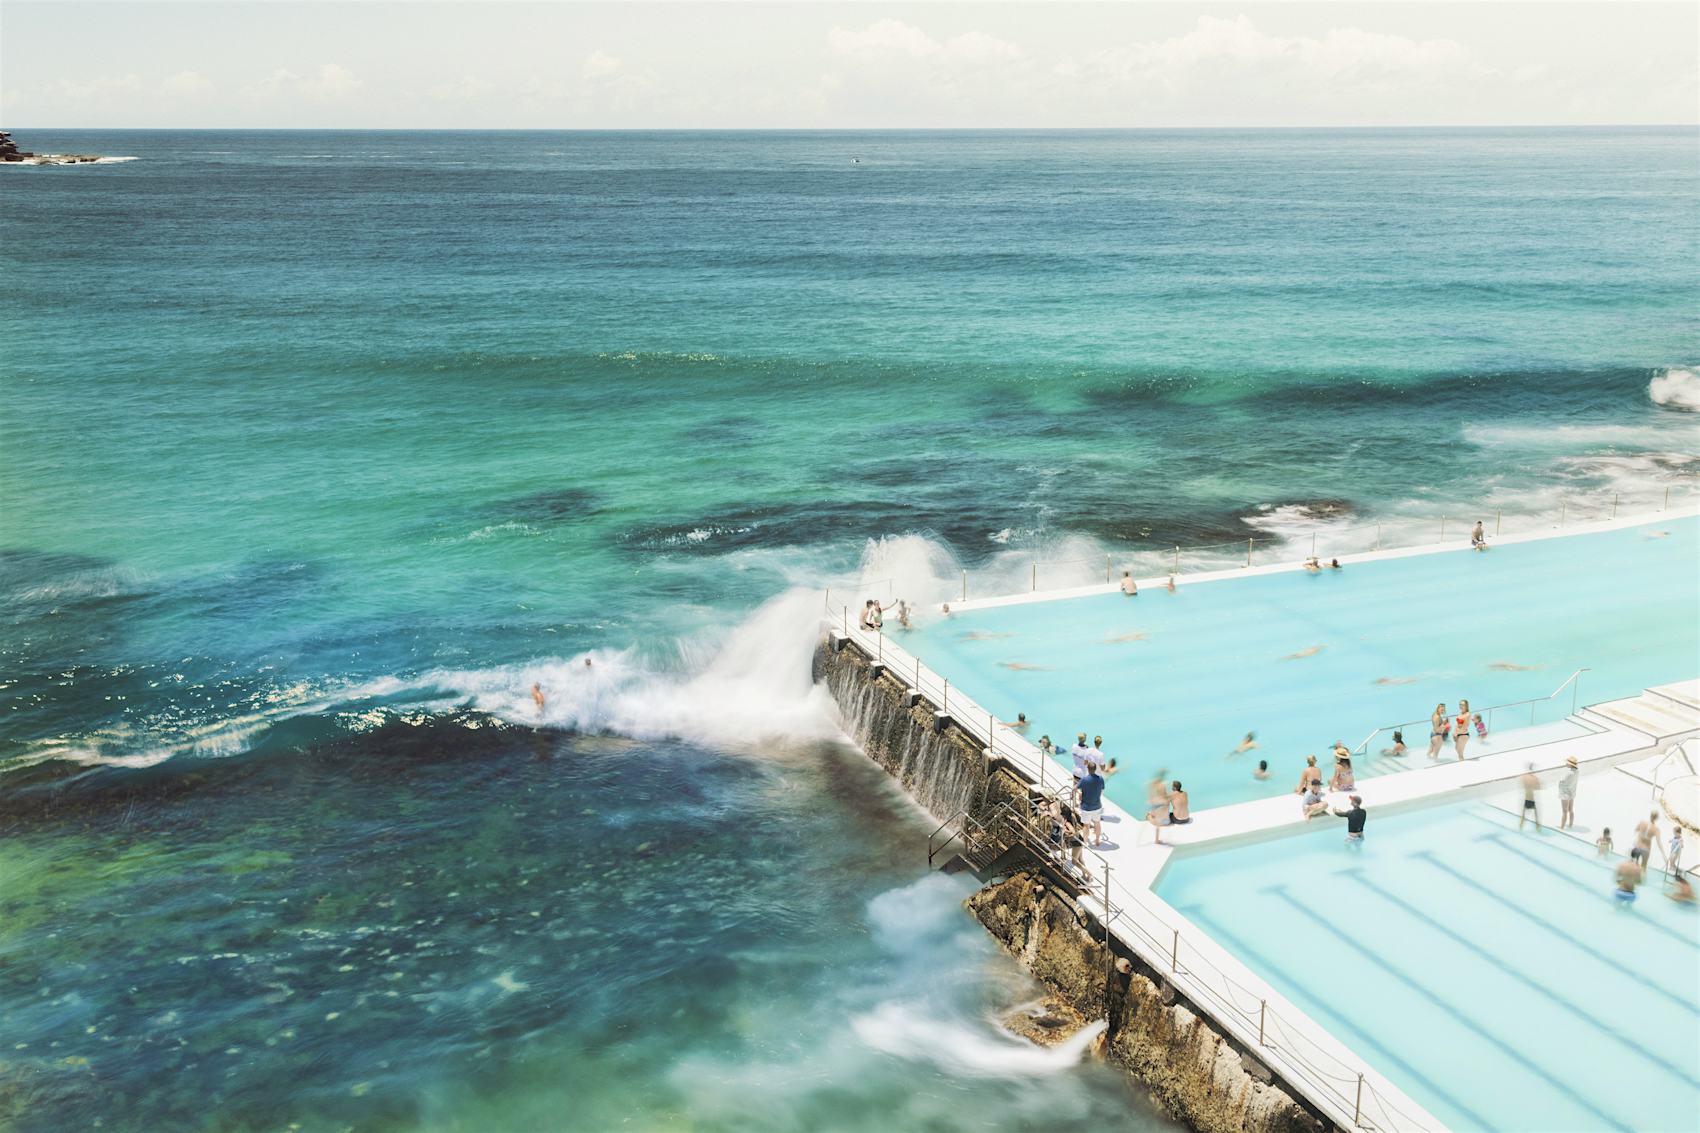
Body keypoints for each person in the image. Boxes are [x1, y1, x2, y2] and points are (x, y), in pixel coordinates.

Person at [1075, 764, 1107, 847]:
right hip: (1097, 805)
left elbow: (1075, 788)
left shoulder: (1084, 780)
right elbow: (1102, 789)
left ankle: (1085, 842)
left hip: (1086, 807)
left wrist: (1080, 794)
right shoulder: (1100, 779)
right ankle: (1097, 840)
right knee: (1097, 823)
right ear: (1095, 769)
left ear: (1087, 769)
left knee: (1086, 825)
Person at [1146, 769, 1171, 844]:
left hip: (1154, 802)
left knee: (1159, 822)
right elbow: (1164, 795)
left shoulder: (1153, 783)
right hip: (1160, 803)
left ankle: (1150, 816)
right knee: (1159, 822)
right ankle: (1149, 817)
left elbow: (1150, 794)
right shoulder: (1162, 785)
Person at [1557, 756, 1579, 830]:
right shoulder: (1577, 771)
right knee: (1571, 810)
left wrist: (1560, 782)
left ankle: (1562, 827)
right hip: (1572, 793)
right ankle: (1570, 824)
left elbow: (1563, 783)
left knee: (1564, 811)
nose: (1566, 763)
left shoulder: (1569, 773)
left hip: (1565, 794)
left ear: (1570, 764)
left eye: (1567, 763)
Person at [1519, 763, 1541, 831]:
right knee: (1536, 815)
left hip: (1526, 798)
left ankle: (1520, 827)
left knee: (1523, 815)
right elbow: (1538, 787)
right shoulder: (1534, 778)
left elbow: (1522, 783)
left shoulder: (1524, 777)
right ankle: (1537, 828)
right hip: (1531, 799)